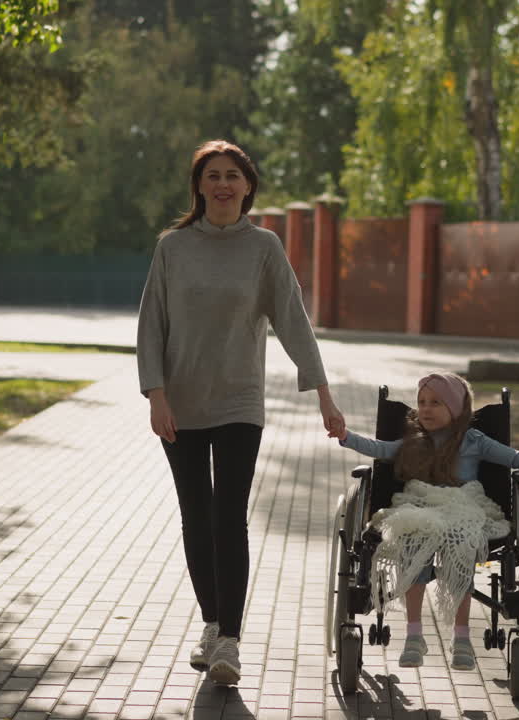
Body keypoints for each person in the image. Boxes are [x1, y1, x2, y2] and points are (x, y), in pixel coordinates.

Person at [137, 139, 345, 687]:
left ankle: (228, 639)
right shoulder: (173, 248)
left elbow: (294, 321)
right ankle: (210, 623)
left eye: (232, 175)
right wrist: (155, 393)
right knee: (195, 517)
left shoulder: (264, 248)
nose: (223, 184)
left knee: (228, 517)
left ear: (248, 186)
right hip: (179, 403)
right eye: (213, 175)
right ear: (199, 186)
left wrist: (322, 391)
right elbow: (151, 323)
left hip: (238, 402)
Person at [331, 371, 519, 671]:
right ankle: (414, 635)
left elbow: (518, 457)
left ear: (456, 409)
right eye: (422, 402)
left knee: (460, 544)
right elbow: (379, 449)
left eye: (436, 403)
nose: (425, 408)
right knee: (413, 536)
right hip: (420, 505)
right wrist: (345, 436)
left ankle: (461, 637)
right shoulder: (413, 441)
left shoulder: (473, 440)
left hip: (462, 506)